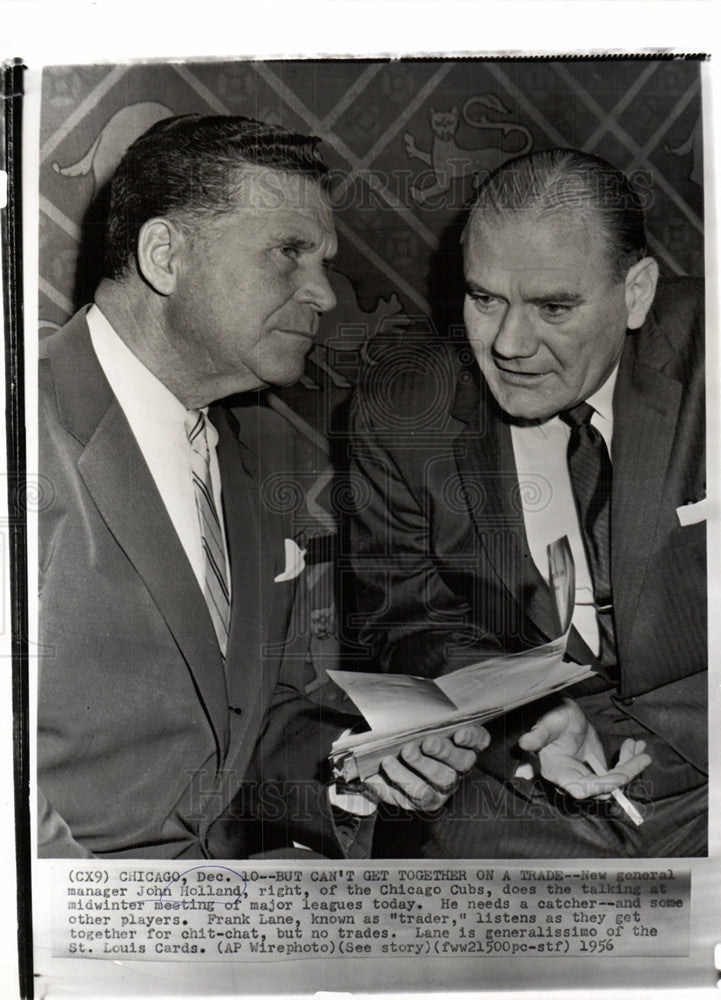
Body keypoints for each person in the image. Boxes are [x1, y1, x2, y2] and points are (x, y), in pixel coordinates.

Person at [37, 114, 489, 860]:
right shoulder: (22, 425)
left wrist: (358, 763)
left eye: (322, 259)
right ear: (164, 256)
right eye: (289, 253)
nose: (324, 294)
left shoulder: (237, 456)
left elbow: (245, 723)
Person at [349, 148, 707, 858]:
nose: (508, 345)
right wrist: (530, 713)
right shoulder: (399, 412)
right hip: (523, 779)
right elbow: (406, 622)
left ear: (635, 293)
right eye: (484, 299)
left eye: (553, 306)